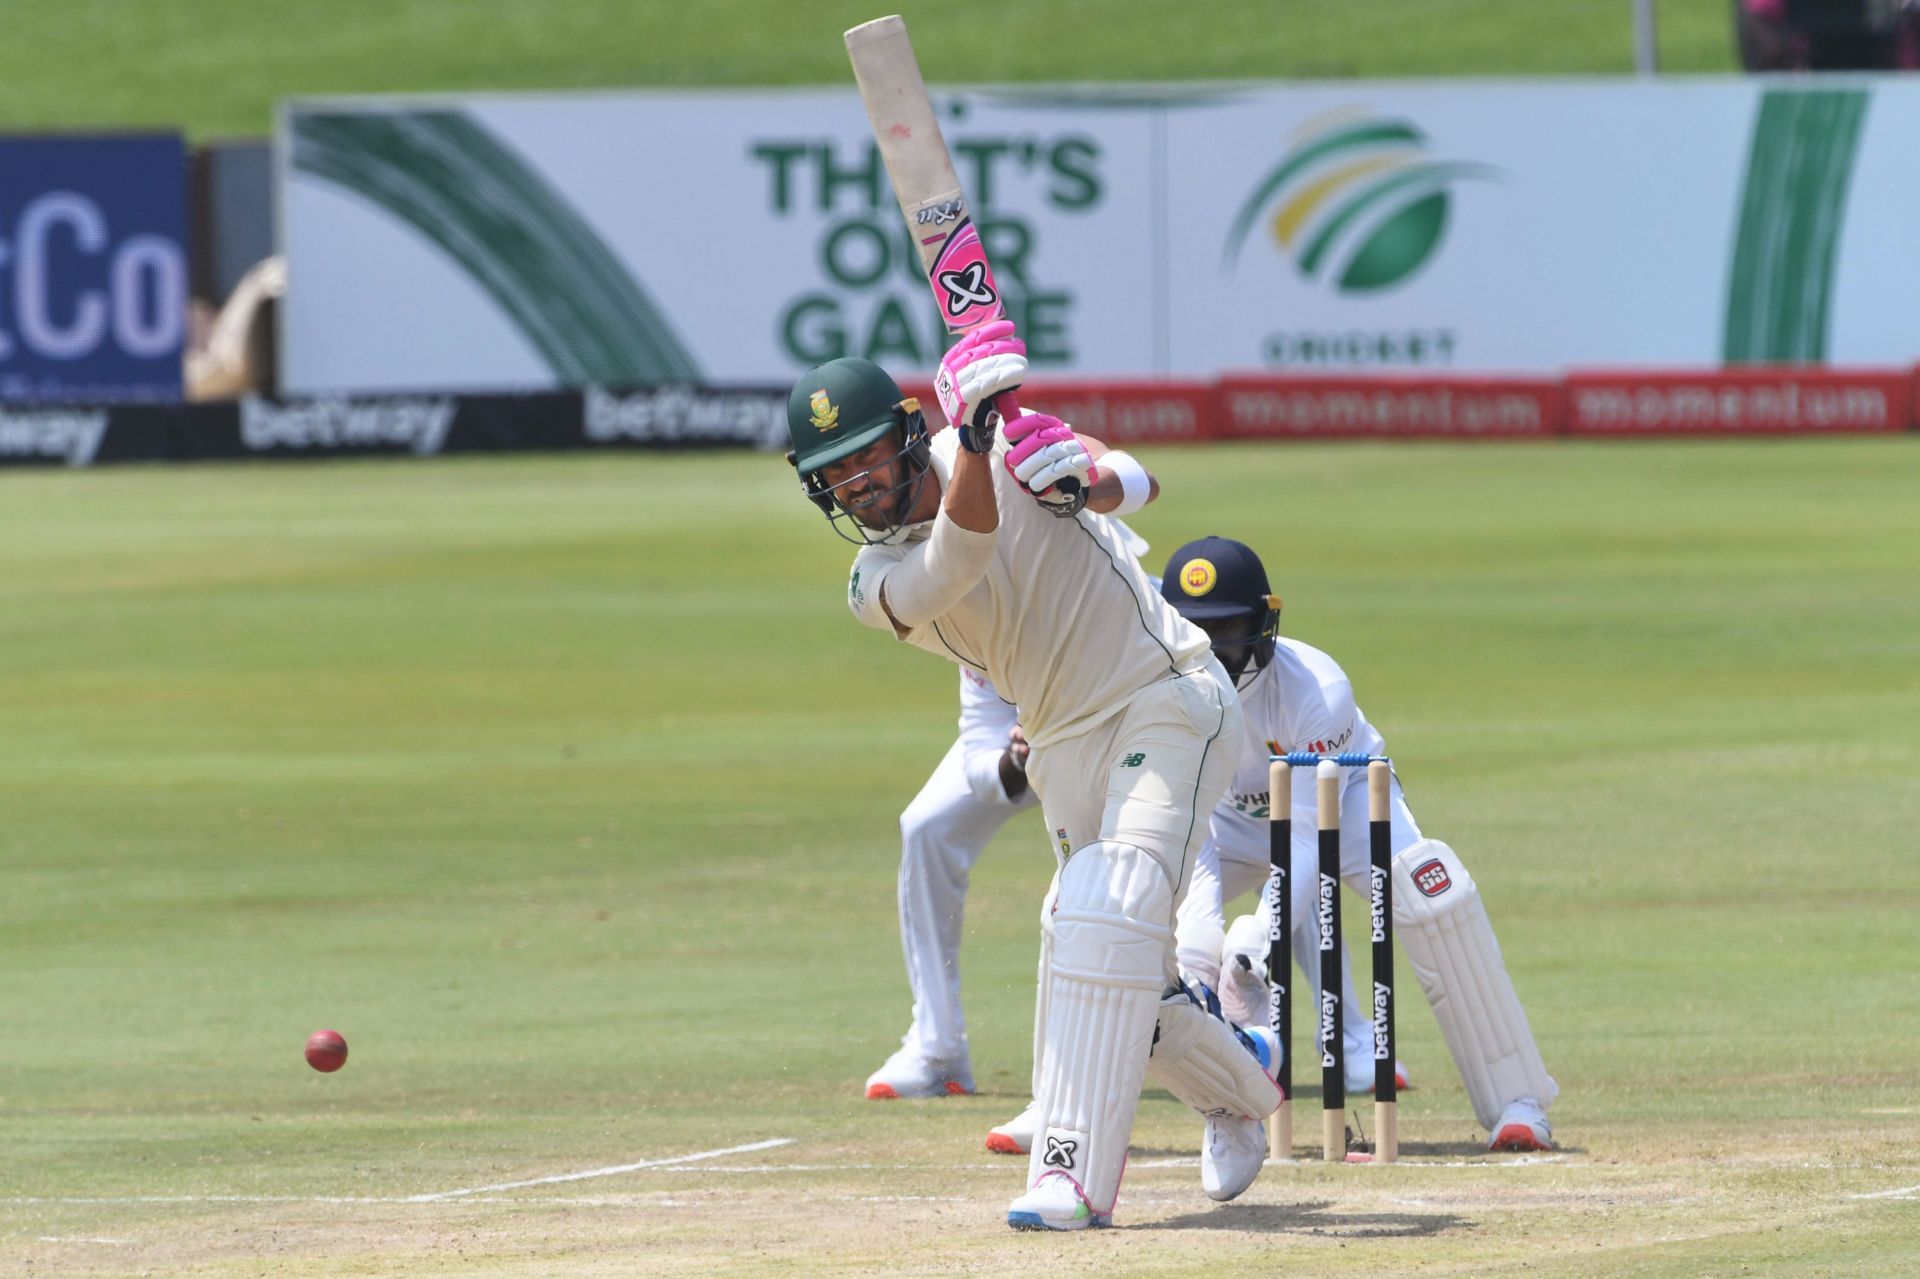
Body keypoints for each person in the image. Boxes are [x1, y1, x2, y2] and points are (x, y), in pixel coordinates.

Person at [784, 326, 1280, 1231]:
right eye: (835, 477)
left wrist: (1077, 481)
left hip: (1164, 694)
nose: (857, 487)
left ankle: (1070, 1171)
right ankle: (1240, 1093)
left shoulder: (998, 445)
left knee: (1105, 903)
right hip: (1059, 742)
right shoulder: (875, 579)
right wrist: (980, 438)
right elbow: (962, 555)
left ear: (902, 436)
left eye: (863, 461)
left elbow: (1134, 478)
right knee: (1112, 953)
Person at [1163, 536, 1557, 1153]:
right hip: (1222, 822)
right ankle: (1060, 1106)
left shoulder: (1316, 691)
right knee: (1107, 903)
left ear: (1264, 623)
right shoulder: (1160, 691)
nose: (1215, 650)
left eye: (1230, 628)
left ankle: (1519, 1102)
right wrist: (1204, 947)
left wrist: (1258, 934)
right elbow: (1184, 828)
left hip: (1344, 803)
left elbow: (1302, 839)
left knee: (1433, 897)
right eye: (1196, 631)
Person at [863, 519, 1155, 1103]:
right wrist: (1014, 762)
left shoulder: (1067, 574)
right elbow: (980, 748)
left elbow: (1134, 477)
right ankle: (937, 1047)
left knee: (1146, 866)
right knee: (926, 825)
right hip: (1042, 738)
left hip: (1128, 716)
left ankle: (1278, 1030)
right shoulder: (970, 625)